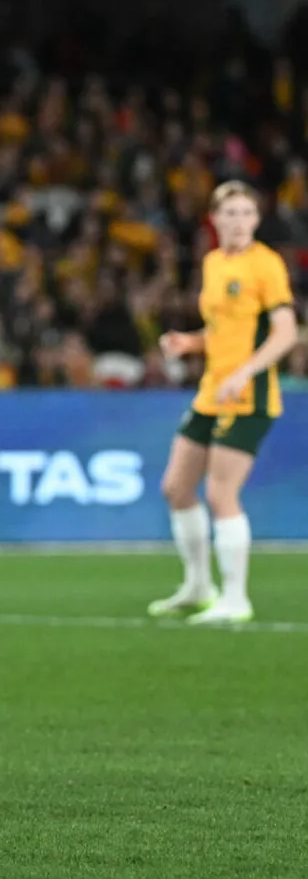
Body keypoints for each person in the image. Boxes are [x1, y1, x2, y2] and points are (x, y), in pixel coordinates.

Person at [150, 181, 298, 625]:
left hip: (249, 396)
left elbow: (286, 333)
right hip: (213, 391)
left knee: (220, 492)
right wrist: (190, 342)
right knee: (176, 488)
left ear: (256, 220)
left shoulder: (266, 265)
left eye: (246, 214)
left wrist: (243, 373)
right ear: (214, 219)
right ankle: (198, 586)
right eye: (229, 213)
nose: (237, 222)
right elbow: (224, 330)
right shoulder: (214, 263)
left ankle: (236, 598)